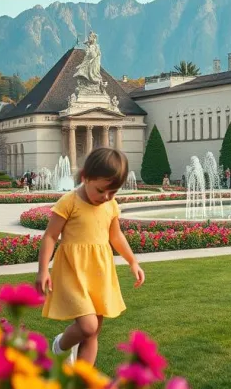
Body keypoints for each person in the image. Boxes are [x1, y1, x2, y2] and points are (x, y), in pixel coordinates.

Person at [35, 147, 145, 366]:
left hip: (99, 272)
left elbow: (116, 236)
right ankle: (60, 345)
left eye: (112, 192)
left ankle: (82, 380)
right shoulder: (69, 201)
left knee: (93, 333)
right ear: (85, 177)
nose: (106, 197)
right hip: (73, 272)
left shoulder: (111, 205)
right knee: (87, 326)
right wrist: (42, 270)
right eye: (101, 190)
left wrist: (133, 261)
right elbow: (50, 236)